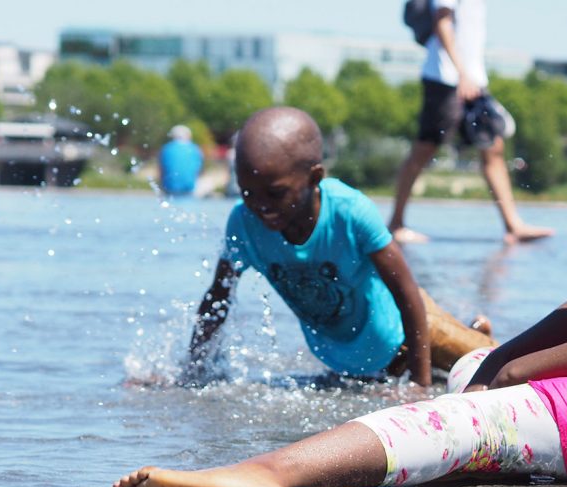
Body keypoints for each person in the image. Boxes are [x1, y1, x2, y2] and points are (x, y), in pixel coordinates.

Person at [111, 0, 567, 487]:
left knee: (484, 413)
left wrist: (521, 376)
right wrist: (502, 360)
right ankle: (437, 431)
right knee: (475, 370)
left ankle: (271, 475)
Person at [185, 106, 494, 388]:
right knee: (451, 382)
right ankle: (472, 333)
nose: (260, 205)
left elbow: (406, 292)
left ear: (314, 177)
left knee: (497, 369)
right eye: (247, 192)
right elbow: (217, 300)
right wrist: (192, 374)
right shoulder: (243, 223)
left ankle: (478, 336)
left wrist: (419, 387)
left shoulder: (349, 212)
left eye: (275, 193)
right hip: (352, 362)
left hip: (415, 331)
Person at [388, 0, 555, 245]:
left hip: (472, 79)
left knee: (493, 146)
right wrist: (462, 73)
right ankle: (395, 223)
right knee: (425, 148)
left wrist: (470, 75)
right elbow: (442, 21)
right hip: (446, 78)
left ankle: (513, 225)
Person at [158, 124, 204, 195]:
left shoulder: (166, 148)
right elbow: (199, 171)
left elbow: (161, 170)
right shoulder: (195, 149)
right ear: (188, 136)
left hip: (168, 188)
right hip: (189, 188)